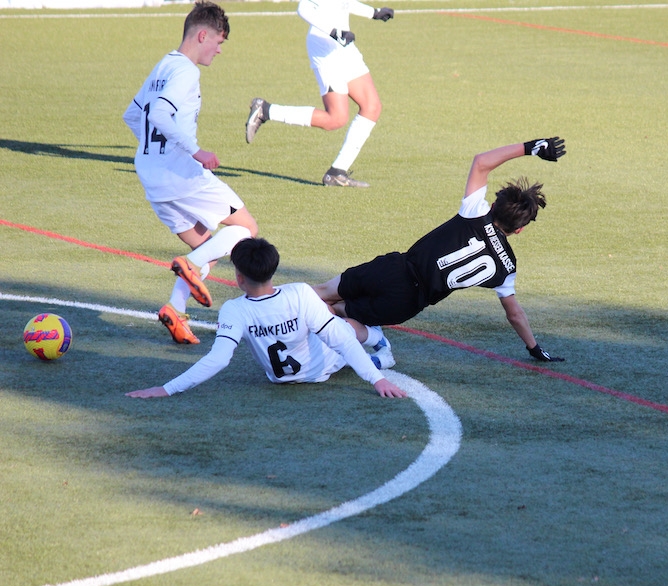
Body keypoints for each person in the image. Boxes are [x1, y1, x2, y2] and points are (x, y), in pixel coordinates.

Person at [312, 137, 567, 363]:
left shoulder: (476, 213)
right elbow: (515, 314)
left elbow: (481, 162)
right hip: (407, 302)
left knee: (323, 293)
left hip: (393, 270)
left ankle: (288, 317)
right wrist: (534, 348)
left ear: (492, 206)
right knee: (339, 313)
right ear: (519, 229)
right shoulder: (506, 268)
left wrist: (530, 147)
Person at [123, 0, 259, 345]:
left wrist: (154, 151)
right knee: (247, 229)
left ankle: (175, 309)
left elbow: (133, 115)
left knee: (207, 249)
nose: (219, 49)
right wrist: (195, 151)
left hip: (152, 177)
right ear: (203, 35)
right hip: (182, 174)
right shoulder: (186, 71)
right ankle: (190, 266)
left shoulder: (163, 66)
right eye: (219, 41)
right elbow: (158, 115)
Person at [126, 238, 407, 399]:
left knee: (329, 324)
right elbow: (341, 339)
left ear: (239, 277)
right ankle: (378, 342)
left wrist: (166, 389)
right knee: (337, 320)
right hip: (323, 366)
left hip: (280, 378)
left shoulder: (234, 309)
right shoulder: (299, 292)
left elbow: (218, 359)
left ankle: (376, 355)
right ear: (273, 269)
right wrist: (378, 381)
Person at [244, 0, 394, 188]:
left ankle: (337, 173)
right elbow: (304, 8)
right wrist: (334, 32)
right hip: (324, 45)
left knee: (372, 107)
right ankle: (266, 110)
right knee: (336, 119)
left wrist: (373, 12)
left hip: (344, 45)